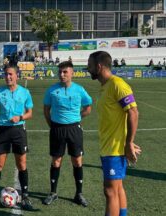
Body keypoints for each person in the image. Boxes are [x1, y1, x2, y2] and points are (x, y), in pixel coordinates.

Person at [87, 51, 141, 216]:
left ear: (99, 66)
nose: (88, 69)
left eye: (89, 66)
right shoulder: (105, 86)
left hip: (114, 149)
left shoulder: (117, 84)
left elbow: (133, 112)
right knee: (117, 189)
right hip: (109, 147)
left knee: (110, 191)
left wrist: (128, 143)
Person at [0, 65, 34, 211]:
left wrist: (21, 117)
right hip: (3, 131)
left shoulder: (25, 92)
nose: (8, 77)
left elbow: (30, 113)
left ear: (17, 75)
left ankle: (25, 197)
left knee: (22, 164)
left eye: (10, 74)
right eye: (5, 74)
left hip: (18, 131)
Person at [42, 61, 92, 207]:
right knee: (56, 160)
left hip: (74, 129)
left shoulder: (79, 89)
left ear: (72, 73)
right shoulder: (52, 90)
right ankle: (53, 192)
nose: (62, 75)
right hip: (57, 128)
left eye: (65, 72)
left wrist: (76, 119)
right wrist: (52, 125)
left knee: (77, 161)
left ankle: (79, 193)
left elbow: (88, 108)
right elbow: (46, 110)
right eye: (60, 72)